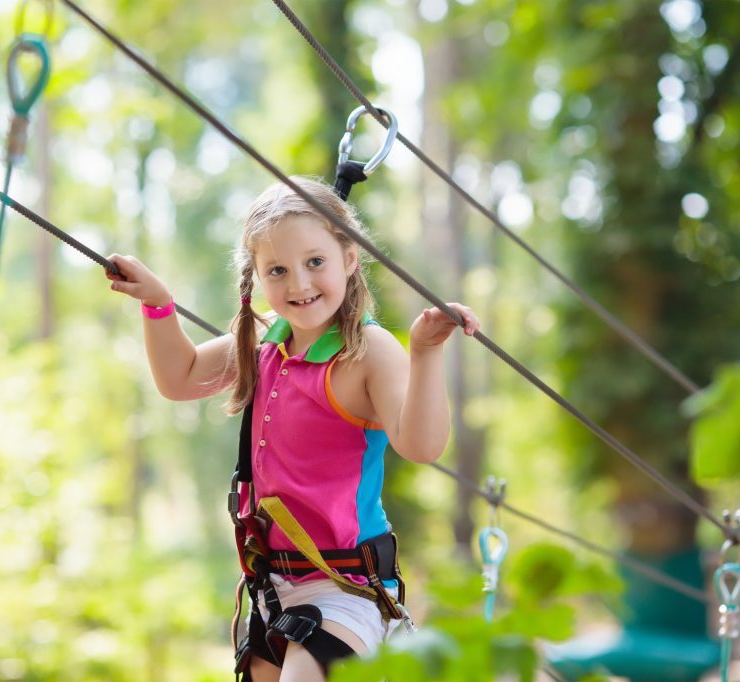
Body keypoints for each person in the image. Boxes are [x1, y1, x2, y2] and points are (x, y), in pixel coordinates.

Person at [106, 176, 479, 682]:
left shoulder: (368, 352)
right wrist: (157, 303)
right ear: (256, 277)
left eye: (315, 262)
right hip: (272, 582)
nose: (299, 285)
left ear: (350, 258)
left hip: (345, 585)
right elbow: (182, 377)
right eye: (277, 270)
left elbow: (421, 445)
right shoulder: (264, 337)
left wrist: (426, 351)